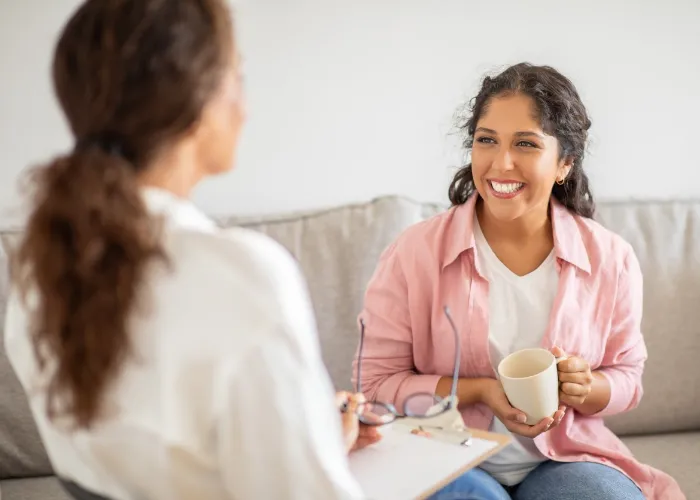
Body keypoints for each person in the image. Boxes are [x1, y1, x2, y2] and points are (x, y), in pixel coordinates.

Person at [3, 1, 375, 499]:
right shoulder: (240, 275)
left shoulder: (37, 270)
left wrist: (315, 440)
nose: (245, 107)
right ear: (196, 101)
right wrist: (320, 458)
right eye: (237, 78)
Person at [355, 63, 685, 500]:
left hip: (563, 459)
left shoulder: (610, 259)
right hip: (446, 454)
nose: (501, 162)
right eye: (486, 140)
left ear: (564, 162)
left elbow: (628, 378)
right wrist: (481, 392)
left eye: (526, 144)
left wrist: (587, 388)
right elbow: (374, 384)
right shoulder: (413, 253)